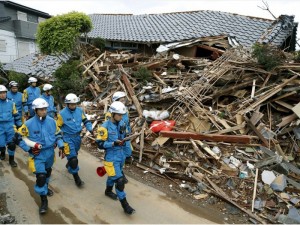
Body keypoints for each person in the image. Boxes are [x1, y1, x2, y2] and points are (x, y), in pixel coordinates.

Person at [16, 98, 64, 214]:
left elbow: (58, 134)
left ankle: (46, 188)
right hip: (38, 155)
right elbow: (17, 138)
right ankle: (43, 200)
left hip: (49, 153)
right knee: (41, 177)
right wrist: (29, 149)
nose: (44, 111)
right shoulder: (28, 124)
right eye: (41, 109)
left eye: (45, 109)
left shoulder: (52, 121)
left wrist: (61, 146)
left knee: (47, 172)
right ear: (36, 110)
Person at [96, 101, 135, 215]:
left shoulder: (121, 123)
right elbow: (99, 144)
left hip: (121, 155)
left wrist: (128, 137)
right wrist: (113, 143)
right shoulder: (104, 127)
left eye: (122, 114)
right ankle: (126, 206)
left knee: (113, 175)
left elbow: (124, 135)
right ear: (112, 114)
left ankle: (108, 191)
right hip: (111, 158)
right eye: (119, 114)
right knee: (119, 181)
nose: (121, 117)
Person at [56, 93, 94, 187]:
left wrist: (90, 129)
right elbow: (57, 127)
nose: (74, 106)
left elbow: (85, 121)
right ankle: (77, 179)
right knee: (73, 159)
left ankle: (69, 164)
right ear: (67, 104)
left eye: (75, 104)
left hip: (77, 137)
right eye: (72, 104)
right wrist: (59, 140)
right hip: (67, 138)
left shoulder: (80, 111)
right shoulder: (62, 114)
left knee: (75, 154)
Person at [106, 91, 133, 164]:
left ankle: (125, 160)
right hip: (117, 136)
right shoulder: (110, 113)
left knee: (127, 150)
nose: (124, 102)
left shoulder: (125, 110)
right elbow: (110, 126)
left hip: (125, 134)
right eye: (122, 100)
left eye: (124, 99)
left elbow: (127, 123)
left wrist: (129, 132)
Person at [0, 85, 22, 167]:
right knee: (1, 145)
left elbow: (16, 115)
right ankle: (2, 152)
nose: (3, 95)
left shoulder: (11, 103)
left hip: (10, 126)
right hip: (0, 127)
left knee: (12, 144)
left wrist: (20, 126)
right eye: (1, 93)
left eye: (4, 93)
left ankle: (11, 160)